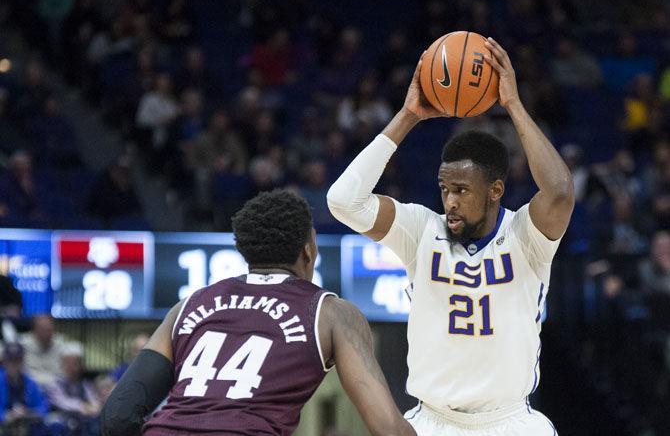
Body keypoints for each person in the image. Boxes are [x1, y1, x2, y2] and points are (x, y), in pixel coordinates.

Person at [327, 38, 575, 435]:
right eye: (444, 188)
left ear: (496, 189)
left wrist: (512, 104)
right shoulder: (420, 230)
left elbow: (560, 191)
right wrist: (408, 115)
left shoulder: (526, 236)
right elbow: (343, 201)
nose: (450, 201)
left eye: (461, 190)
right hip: (432, 421)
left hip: (511, 422)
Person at [101, 189, 415, 436]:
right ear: (308, 249)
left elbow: (117, 416)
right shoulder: (331, 312)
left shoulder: (187, 306)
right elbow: (388, 428)